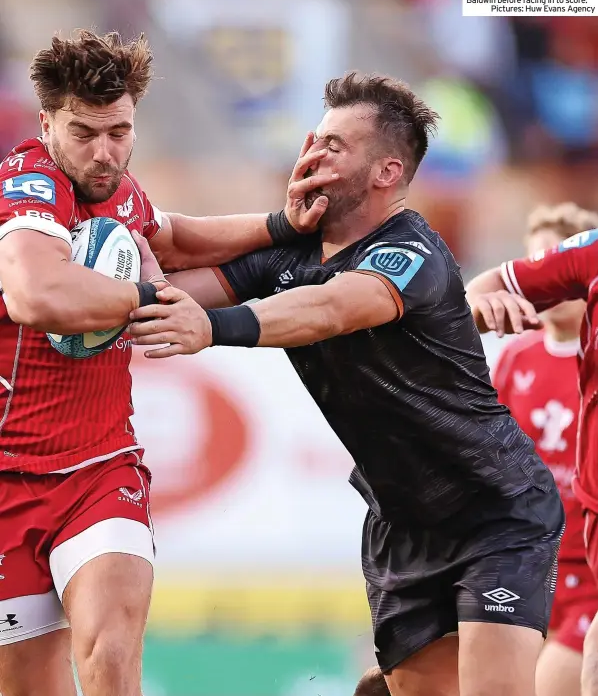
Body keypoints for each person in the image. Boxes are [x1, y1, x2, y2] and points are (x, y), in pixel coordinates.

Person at [129, 72, 565, 696]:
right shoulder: (287, 253)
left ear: (387, 171)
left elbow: (331, 308)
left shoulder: (412, 251)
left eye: (336, 143)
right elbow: (163, 271)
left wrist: (212, 326)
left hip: (494, 511)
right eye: (315, 138)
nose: (314, 150)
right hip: (398, 527)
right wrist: (272, 226)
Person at [0, 30, 331, 696]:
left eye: (120, 131)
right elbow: (36, 294)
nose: (105, 152)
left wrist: (280, 229)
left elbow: (170, 237)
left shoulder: (116, 185)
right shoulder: (28, 184)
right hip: (10, 480)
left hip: (101, 468)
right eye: (85, 133)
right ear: (46, 124)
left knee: (110, 650)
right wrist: (147, 296)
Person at [465, 208, 598, 696]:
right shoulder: (519, 357)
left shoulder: (583, 355)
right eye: (532, 254)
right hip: (530, 556)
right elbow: (488, 445)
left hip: (586, 564)